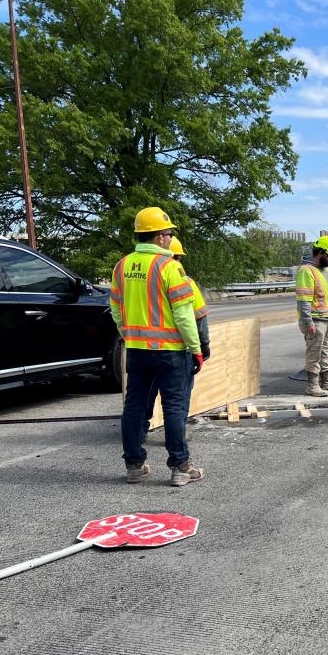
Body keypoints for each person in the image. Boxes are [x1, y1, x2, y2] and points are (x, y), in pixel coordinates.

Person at [111, 207, 203, 487]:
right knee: (175, 408)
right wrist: (195, 347)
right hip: (171, 351)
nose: (170, 237)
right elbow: (184, 315)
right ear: (160, 236)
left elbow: (116, 308)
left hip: (137, 350)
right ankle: (180, 468)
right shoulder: (170, 267)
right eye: (169, 233)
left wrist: (128, 334)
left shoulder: (122, 266)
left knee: (135, 407)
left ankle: (134, 466)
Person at [141, 236, 210, 443]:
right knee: (176, 402)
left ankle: (139, 432)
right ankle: (177, 441)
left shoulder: (140, 278)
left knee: (143, 397)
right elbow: (198, 318)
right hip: (176, 351)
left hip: (142, 348)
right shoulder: (184, 281)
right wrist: (203, 346)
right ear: (178, 257)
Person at [296, 236, 328, 397]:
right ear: (321, 252)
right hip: (315, 320)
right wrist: (308, 321)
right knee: (314, 353)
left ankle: (327, 381)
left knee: (325, 351)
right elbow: (304, 299)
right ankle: (313, 385)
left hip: (326, 318)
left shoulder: (325, 270)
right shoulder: (306, 271)